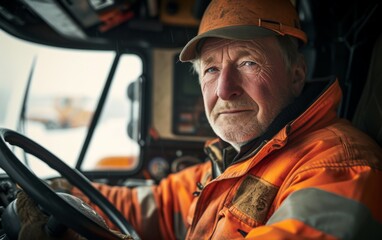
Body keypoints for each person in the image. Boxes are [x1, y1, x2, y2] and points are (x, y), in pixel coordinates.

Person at [60, 0, 382, 239]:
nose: (225, 90)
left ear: (296, 75)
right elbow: (154, 208)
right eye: (212, 69)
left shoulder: (337, 168)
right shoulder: (231, 162)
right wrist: (64, 195)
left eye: (248, 62)